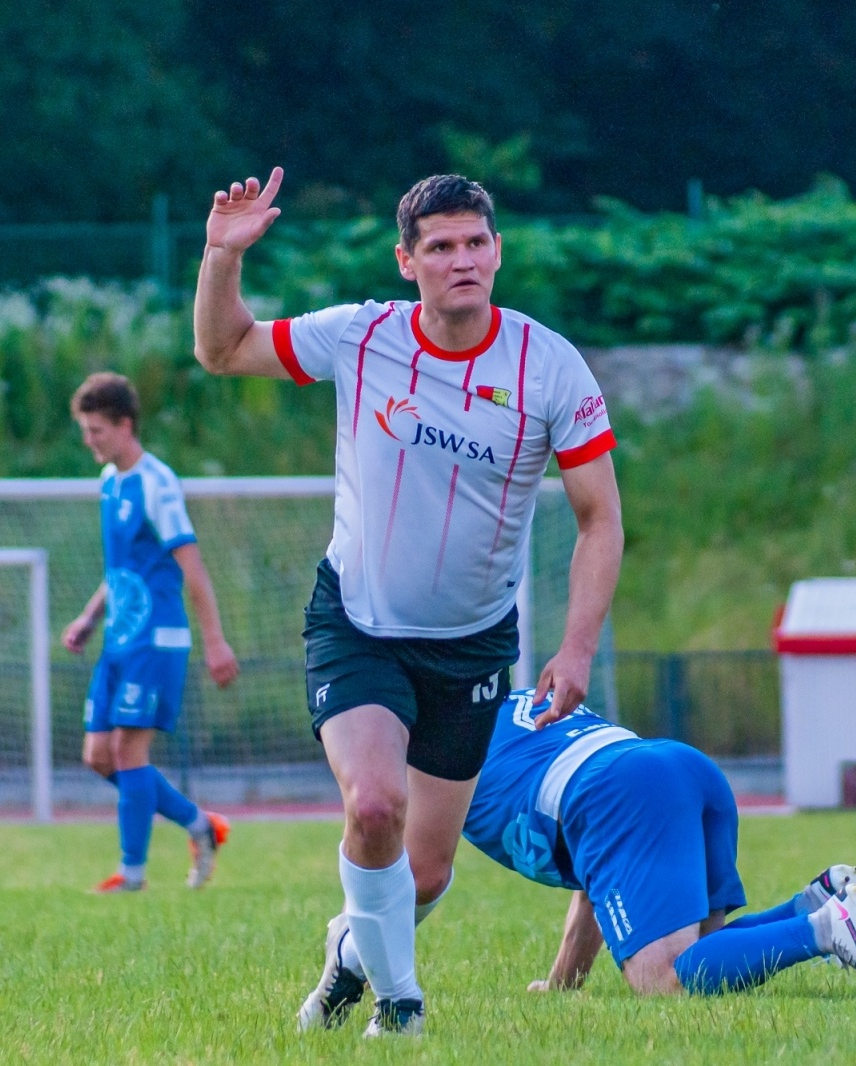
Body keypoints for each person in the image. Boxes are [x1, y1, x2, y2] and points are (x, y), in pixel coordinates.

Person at [194, 170, 623, 1035]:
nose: (461, 260)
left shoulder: (550, 367)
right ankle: (402, 1006)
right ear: (407, 261)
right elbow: (222, 349)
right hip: (357, 625)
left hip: (470, 647)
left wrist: (576, 647)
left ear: (497, 252)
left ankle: (351, 958)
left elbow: (600, 521)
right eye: (440, 247)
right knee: (375, 805)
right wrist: (219, 258)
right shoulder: (361, 337)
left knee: (422, 875)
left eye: (475, 243)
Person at [300, 690, 856, 1016]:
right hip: (678, 765)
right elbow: (597, 870)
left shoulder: (435, 753)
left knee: (663, 979)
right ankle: (819, 898)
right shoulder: (495, 703)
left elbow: (414, 876)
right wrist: (565, 984)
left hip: (621, 794)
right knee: (702, 963)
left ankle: (825, 929)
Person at [62, 372, 240, 893]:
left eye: (96, 430)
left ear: (125, 425)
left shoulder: (157, 484)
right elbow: (122, 568)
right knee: (98, 756)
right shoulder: (110, 482)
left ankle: (132, 877)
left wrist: (215, 641)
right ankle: (200, 825)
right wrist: (89, 617)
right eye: (85, 430)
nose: (89, 440)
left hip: (157, 640)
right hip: (119, 638)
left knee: (128, 754)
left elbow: (192, 566)